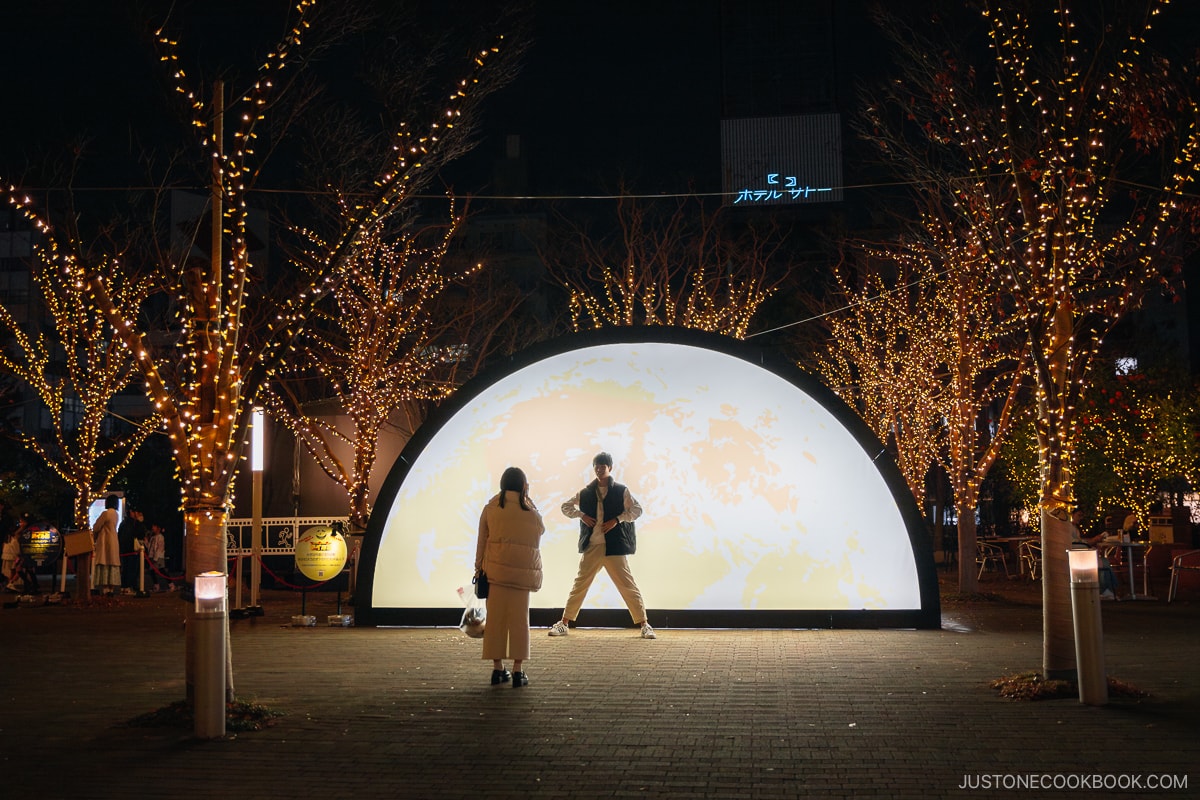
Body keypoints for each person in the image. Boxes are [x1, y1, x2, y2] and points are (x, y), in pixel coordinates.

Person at [550, 452, 655, 639]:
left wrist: (617, 519)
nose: (599, 469)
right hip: (593, 546)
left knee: (627, 586)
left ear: (610, 468)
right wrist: (581, 515)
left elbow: (637, 510)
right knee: (580, 585)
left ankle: (645, 624)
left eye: (603, 466)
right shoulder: (585, 492)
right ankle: (564, 623)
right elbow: (566, 506)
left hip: (614, 547)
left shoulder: (621, 490)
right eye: (597, 466)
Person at [475, 466, 545, 688]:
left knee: (495, 621)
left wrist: (479, 567)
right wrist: (528, 498)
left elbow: (481, 541)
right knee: (519, 622)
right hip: (521, 576)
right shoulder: (531, 513)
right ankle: (517, 670)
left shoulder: (490, 509)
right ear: (523, 486)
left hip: (494, 573)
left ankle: (497, 669)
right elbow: (540, 531)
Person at [1071, 508, 1119, 599]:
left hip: (1079, 554)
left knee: (1104, 562)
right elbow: (1076, 543)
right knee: (1104, 563)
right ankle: (1107, 589)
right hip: (1078, 556)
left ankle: (1107, 589)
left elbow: (1079, 541)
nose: (1080, 518)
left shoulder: (1074, 528)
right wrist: (1093, 541)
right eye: (1079, 515)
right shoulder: (1070, 528)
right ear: (1072, 515)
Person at [92, 495, 121, 596]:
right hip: (114, 541)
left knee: (104, 563)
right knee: (112, 563)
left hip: (105, 541)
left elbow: (96, 527)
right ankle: (111, 589)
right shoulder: (116, 514)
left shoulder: (106, 513)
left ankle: (105, 589)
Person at [117, 506, 146, 593]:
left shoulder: (123, 523)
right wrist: (140, 522)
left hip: (124, 550)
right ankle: (129, 587)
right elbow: (140, 534)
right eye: (135, 512)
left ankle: (124, 587)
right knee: (132, 569)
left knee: (126, 569)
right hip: (132, 550)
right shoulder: (133, 523)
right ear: (131, 512)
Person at [144, 521, 168, 592]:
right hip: (152, 557)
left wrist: (155, 558)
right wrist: (146, 542)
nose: (152, 528)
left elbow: (159, 549)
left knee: (162, 571)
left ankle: (170, 584)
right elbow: (149, 547)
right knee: (152, 571)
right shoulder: (153, 537)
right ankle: (156, 585)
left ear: (158, 528)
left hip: (158, 558)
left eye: (154, 526)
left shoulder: (161, 537)